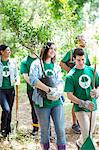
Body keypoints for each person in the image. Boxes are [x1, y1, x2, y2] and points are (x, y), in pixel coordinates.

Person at [29, 42, 66, 150]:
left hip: (56, 102)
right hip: (42, 103)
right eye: (51, 49)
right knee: (45, 131)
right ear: (45, 50)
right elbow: (33, 80)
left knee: (60, 130)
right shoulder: (36, 64)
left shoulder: (56, 66)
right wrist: (49, 90)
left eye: (55, 49)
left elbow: (60, 81)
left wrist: (57, 91)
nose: (53, 51)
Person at [64, 48, 99, 149]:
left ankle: (79, 143)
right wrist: (83, 103)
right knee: (86, 134)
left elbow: (98, 85)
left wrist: (97, 92)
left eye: (83, 59)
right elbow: (69, 95)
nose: (81, 62)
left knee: (90, 133)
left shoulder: (91, 70)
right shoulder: (70, 75)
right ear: (74, 59)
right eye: (78, 60)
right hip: (80, 108)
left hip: (93, 106)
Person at [60, 35, 91, 134]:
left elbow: (88, 66)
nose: (85, 41)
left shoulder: (85, 53)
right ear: (78, 41)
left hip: (84, 81)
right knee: (75, 101)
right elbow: (61, 63)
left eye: (85, 40)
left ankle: (84, 121)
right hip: (74, 81)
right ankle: (75, 124)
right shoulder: (71, 52)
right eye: (83, 39)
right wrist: (72, 72)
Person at [0, 44, 20, 137]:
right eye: (7, 50)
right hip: (1, 90)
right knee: (6, 109)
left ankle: (8, 130)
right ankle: (3, 127)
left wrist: (18, 80)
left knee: (10, 110)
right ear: (2, 52)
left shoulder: (13, 62)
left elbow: (17, 74)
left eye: (9, 50)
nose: (9, 52)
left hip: (11, 89)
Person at [20, 49, 39, 136]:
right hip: (31, 89)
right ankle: (35, 127)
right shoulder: (25, 61)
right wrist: (34, 85)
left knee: (45, 107)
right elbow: (25, 76)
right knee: (34, 108)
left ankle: (47, 129)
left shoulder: (41, 59)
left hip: (43, 89)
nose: (33, 47)